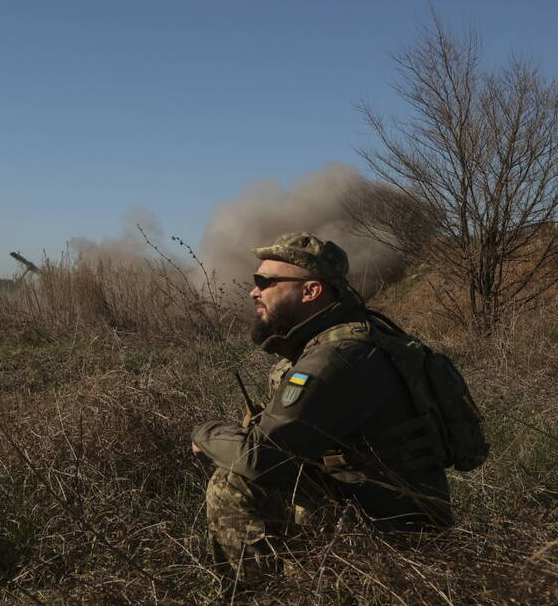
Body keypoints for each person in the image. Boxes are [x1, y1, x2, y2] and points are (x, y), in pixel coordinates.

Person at [190, 233, 453, 582]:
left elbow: (260, 459)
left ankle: (256, 594)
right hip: (398, 512)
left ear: (311, 291)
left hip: (389, 534)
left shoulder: (337, 358)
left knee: (234, 481)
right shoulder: (359, 339)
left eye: (265, 282)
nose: (254, 291)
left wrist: (204, 432)